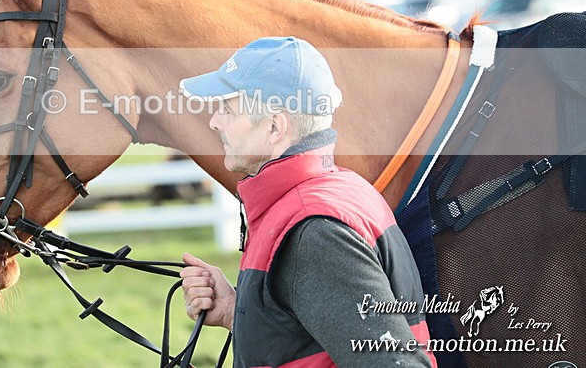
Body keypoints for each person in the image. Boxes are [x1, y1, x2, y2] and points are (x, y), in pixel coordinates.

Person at [178, 37, 437, 367]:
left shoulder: (315, 231)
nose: (215, 121)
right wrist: (237, 311)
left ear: (274, 127)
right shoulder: (334, 190)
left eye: (227, 109)